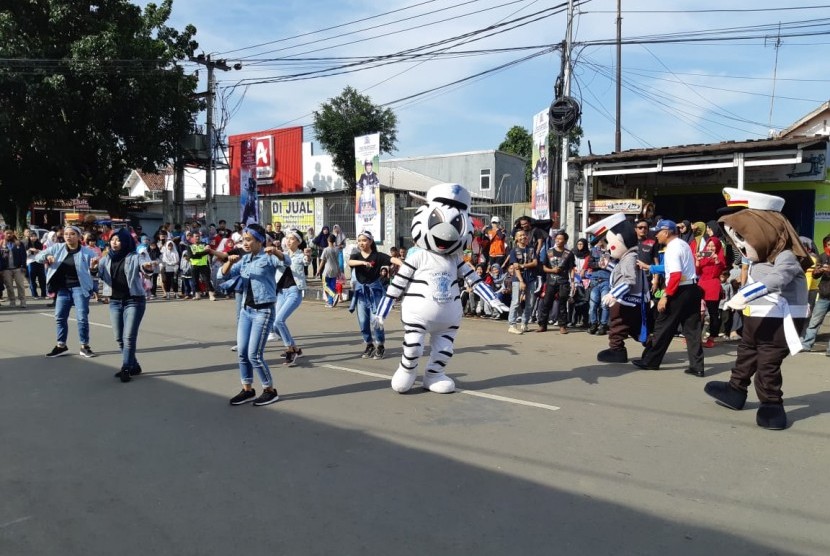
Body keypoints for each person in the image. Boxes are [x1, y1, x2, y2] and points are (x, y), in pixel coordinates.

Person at [217, 224, 284, 407]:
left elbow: (286, 263)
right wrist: (229, 262)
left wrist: (276, 252)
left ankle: (270, 390)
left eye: (249, 240)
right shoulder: (245, 260)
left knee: (254, 354)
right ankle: (247, 390)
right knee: (242, 353)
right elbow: (220, 275)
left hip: (263, 311)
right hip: (246, 311)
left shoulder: (268, 258)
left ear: (259, 241)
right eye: (243, 240)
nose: (245, 243)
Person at [632, 219, 704, 377]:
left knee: (662, 326)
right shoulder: (683, 244)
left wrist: (666, 296)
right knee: (692, 331)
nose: (656, 235)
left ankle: (651, 361)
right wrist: (650, 267)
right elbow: (671, 267)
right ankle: (697, 366)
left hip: (678, 290)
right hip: (692, 289)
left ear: (666, 232)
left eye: (658, 232)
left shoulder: (671, 249)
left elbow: (676, 274)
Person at [97, 228, 155, 382]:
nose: (115, 243)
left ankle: (126, 367)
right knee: (119, 337)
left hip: (134, 301)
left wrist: (148, 267)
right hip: (115, 301)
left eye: (118, 240)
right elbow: (99, 275)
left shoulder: (135, 257)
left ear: (126, 241)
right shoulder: (105, 258)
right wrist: (93, 267)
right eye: (112, 240)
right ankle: (134, 365)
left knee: (128, 336)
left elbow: (146, 268)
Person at [36, 225, 99, 358]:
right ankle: (61, 345)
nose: (68, 236)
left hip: (80, 288)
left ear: (79, 237)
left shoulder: (87, 252)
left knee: (82, 317)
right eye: (66, 234)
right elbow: (38, 257)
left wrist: (94, 267)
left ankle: (84, 346)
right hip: (63, 289)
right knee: (59, 317)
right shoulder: (57, 248)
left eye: (72, 234)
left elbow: (95, 269)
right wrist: (47, 257)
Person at [347, 230, 392, 359]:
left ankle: (380, 345)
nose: (361, 243)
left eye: (364, 240)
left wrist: (406, 265)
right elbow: (350, 263)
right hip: (361, 293)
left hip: (375, 293)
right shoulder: (355, 255)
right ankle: (369, 344)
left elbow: (392, 259)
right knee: (363, 321)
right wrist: (363, 263)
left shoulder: (378, 256)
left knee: (376, 321)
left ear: (370, 241)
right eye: (359, 240)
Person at [269, 229, 306, 366]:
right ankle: (295, 349)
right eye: (287, 238)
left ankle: (290, 350)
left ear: (298, 242)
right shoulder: (281, 255)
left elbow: (306, 261)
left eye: (292, 239)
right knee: (274, 323)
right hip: (281, 292)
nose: (289, 240)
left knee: (279, 320)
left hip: (294, 291)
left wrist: (308, 256)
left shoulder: (300, 255)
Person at [537, 231, 575, 334]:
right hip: (551, 281)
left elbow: (572, 269)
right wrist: (552, 271)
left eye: (560, 239)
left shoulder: (569, 254)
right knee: (546, 303)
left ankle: (562, 325)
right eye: (557, 238)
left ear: (565, 240)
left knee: (562, 304)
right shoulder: (549, 252)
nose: (558, 241)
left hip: (563, 282)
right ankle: (542, 324)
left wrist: (572, 282)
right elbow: (544, 267)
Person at [800, 233, 830, 354]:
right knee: (814, 321)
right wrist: (818, 271)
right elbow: (815, 274)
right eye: (828, 244)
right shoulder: (822, 256)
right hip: (824, 294)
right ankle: (807, 344)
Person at [696, 237, 727, 348]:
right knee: (698, 313)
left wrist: (716, 260)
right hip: (701, 286)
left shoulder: (720, 258)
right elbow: (697, 272)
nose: (710, 248)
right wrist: (698, 261)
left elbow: (719, 270)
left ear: (718, 247)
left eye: (713, 246)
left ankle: (712, 337)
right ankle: (695, 337)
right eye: (709, 245)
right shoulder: (703, 256)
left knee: (713, 314)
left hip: (713, 287)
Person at [506, 228, 538, 334]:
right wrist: (521, 281)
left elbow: (535, 263)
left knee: (530, 302)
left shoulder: (531, 249)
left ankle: (524, 323)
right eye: (520, 235)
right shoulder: (514, 251)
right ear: (516, 238)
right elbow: (516, 267)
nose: (523, 237)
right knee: (515, 302)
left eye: (524, 235)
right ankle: (512, 324)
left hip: (531, 278)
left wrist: (523, 265)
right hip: (518, 279)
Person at [1, 229, 28, 308]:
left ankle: (22, 301)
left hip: (18, 268)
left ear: (13, 234)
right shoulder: (1, 243)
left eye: (10, 233)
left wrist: (23, 266)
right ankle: (12, 301)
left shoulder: (18, 243)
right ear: (4, 234)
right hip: (6, 269)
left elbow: (23, 255)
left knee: (20, 285)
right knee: (9, 286)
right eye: (7, 233)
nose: (9, 235)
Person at [317, 234, 340, 307]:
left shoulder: (326, 249)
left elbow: (323, 261)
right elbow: (337, 261)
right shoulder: (337, 249)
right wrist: (339, 271)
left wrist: (318, 270)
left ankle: (333, 296)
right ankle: (330, 302)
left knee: (325, 286)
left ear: (328, 240)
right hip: (335, 269)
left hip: (327, 270)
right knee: (332, 286)